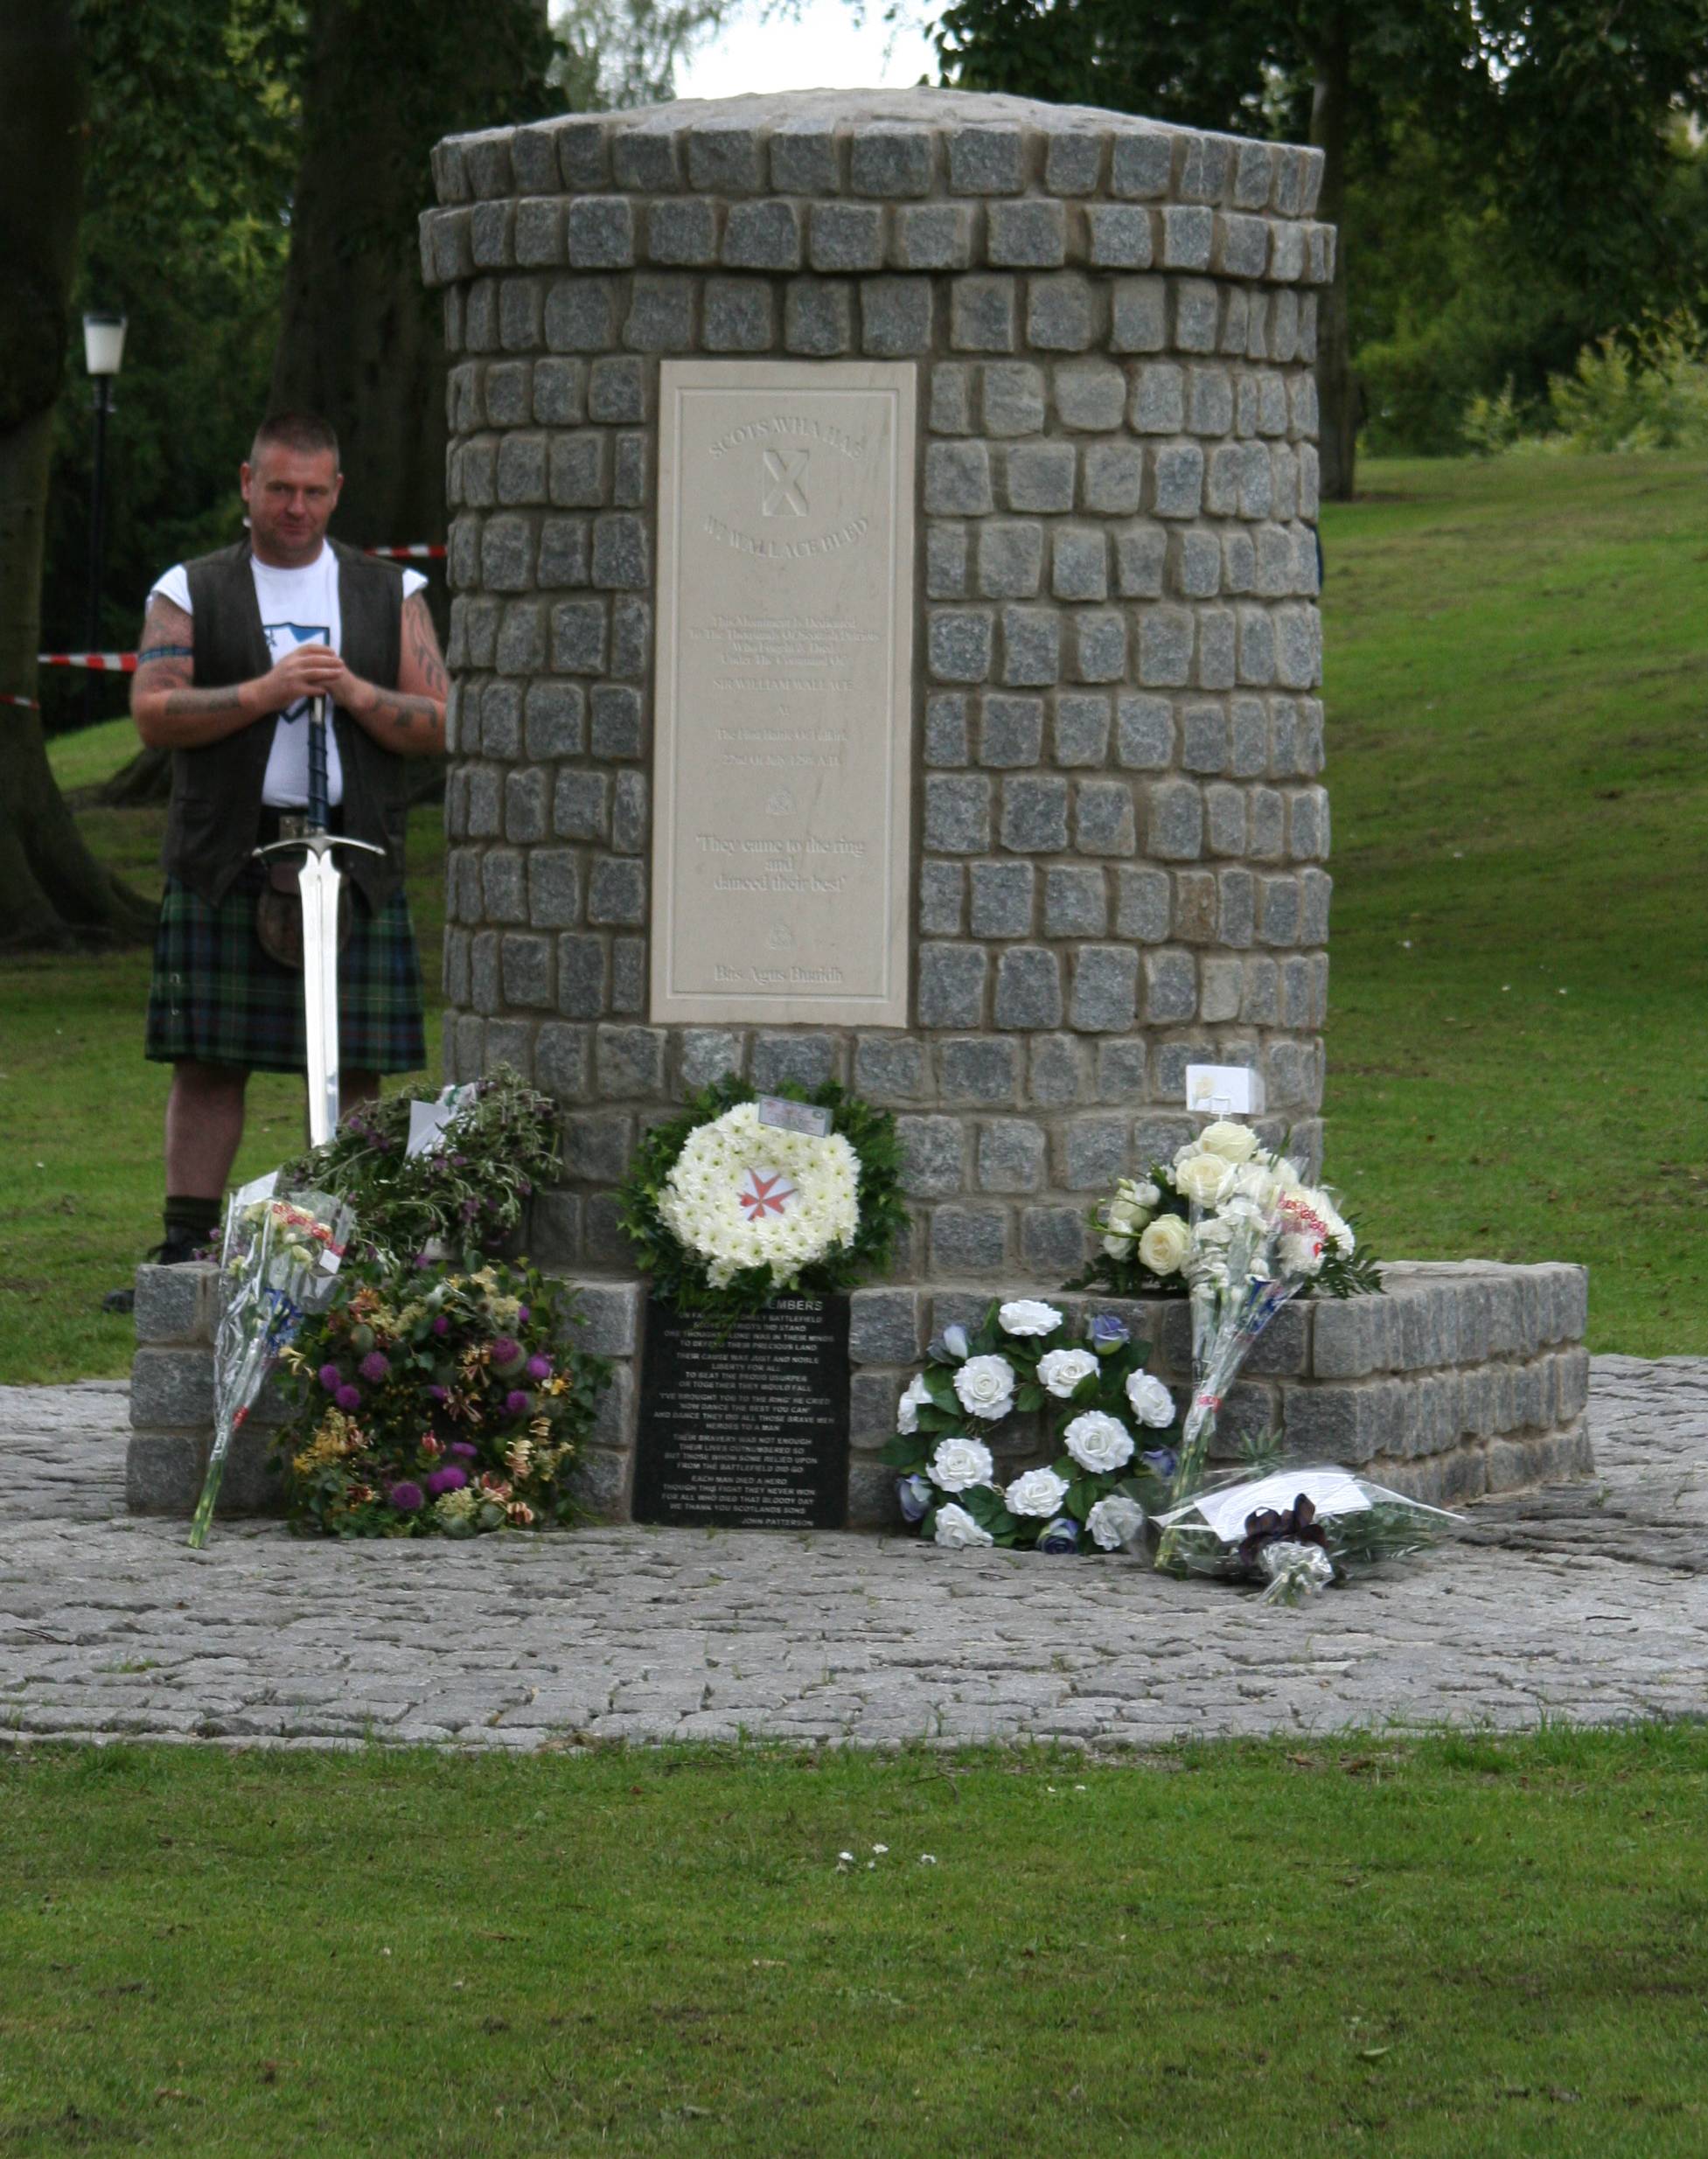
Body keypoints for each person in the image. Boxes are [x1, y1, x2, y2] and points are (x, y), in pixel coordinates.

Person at [108, 410, 447, 1300]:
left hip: (354, 851)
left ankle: (354, 1235)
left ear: (336, 492)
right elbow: (152, 709)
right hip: (231, 851)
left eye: (312, 490)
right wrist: (266, 691)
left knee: (357, 1067)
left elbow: (439, 720)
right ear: (246, 484)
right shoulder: (191, 588)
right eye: (279, 488)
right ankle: (186, 1244)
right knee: (210, 1058)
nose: (295, 507)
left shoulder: (391, 592)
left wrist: (358, 691)